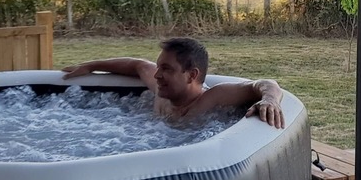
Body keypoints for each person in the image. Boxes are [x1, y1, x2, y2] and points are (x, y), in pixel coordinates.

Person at [62, 37, 285, 128]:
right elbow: (137, 65)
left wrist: (270, 99)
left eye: (166, 69)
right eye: (159, 67)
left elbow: (266, 83)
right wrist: (91, 66)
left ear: (191, 75)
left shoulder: (212, 98)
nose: (157, 75)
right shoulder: (162, 91)